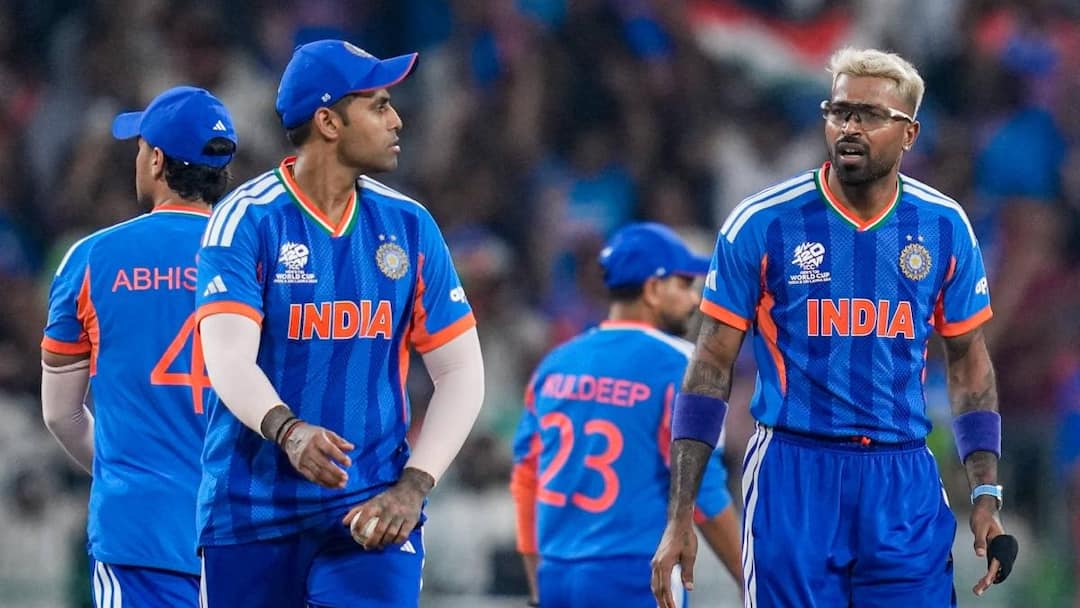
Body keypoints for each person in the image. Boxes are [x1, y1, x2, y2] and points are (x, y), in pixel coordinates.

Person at [651, 48, 1019, 608]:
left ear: (910, 133)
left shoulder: (944, 226)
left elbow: (969, 362)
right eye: (839, 111)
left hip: (902, 480)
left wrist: (985, 493)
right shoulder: (762, 222)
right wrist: (680, 516)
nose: (849, 127)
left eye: (869, 115)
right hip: (793, 475)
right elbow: (710, 366)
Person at [194, 39, 485, 607]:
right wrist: (289, 431)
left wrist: (414, 485)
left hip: (371, 510)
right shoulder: (246, 220)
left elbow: (461, 371)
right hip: (251, 512)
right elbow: (227, 357)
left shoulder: (409, 224)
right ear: (328, 122)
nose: (397, 121)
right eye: (379, 106)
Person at [41, 86, 238, 606]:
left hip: (139, 536)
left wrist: (124, 470)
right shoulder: (262, 260)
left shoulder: (91, 259)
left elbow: (61, 413)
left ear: (155, 161)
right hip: (245, 538)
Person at [512, 222, 743, 607]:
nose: (694, 299)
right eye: (684, 284)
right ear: (653, 289)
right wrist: (750, 578)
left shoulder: (556, 364)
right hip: (636, 574)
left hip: (556, 574)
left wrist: (538, 582)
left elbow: (526, 479)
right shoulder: (682, 365)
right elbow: (703, 491)